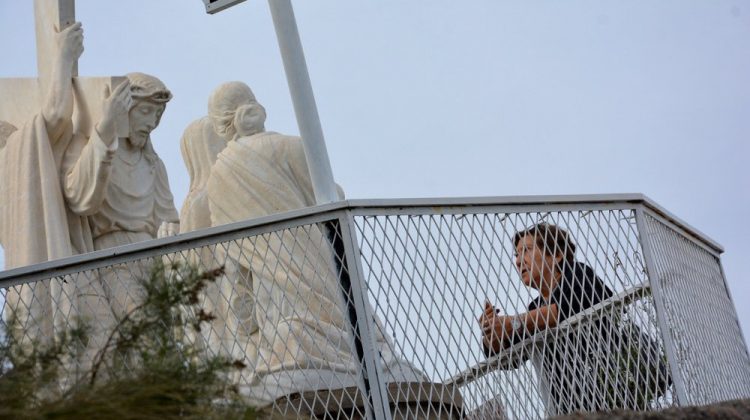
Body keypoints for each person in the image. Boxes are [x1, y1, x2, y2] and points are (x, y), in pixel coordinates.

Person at [478, 223, 614, 415]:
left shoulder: (580, 274)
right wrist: (491, 334)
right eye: (516, 255)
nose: (518, 261)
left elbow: (567, 308)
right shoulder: (535, 308)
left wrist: (513, 323)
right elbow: (510, 360)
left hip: (613, 396)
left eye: (526, 250)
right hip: (565, 409)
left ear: (557, 254)